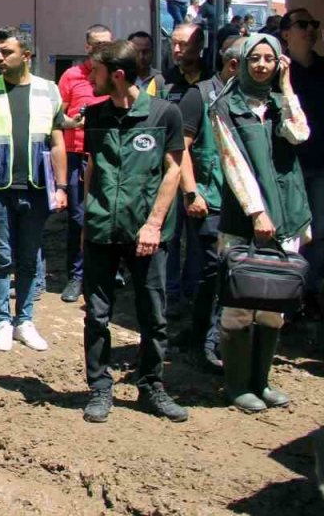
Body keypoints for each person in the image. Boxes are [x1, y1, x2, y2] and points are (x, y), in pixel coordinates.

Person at [80, 40, 188, 423]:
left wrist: (154, 224)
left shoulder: (164, 113)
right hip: (102, 230)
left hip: (147, 234)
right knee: (97, 315)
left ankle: (151, 385)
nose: (90, 77)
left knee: (153, 315)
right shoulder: (95, 115)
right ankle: (99, 388)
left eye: (95, 71)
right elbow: (93, 167)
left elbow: (173, 170)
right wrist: (86, 222)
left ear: (118, 75)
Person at [210, 33, 311, 412]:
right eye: (255, 58)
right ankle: (237, 386)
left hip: (287, 211)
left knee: (274, 302)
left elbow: (299, 134)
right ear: (242, 62)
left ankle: (261, 382)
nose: (262, 65)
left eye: (270, 58)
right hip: (244, 217)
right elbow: (232, 161)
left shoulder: (279, 102)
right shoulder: (226, 105)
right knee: (240, 302)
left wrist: (287, 88)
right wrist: (256, 212)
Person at [0, 27, 68, 352]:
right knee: (1, 256)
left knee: (29, 257)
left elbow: (57, 141)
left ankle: (24, 320)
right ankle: (2, 321)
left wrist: (62, 187)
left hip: (36, 188)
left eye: (6, 52)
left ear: (26, 55)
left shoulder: (49, 91)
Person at [177, 34, 242, 371]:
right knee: (212, 271)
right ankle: (205, 341)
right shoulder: (199, 95)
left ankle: (209, 336)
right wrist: (192, 192)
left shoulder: (251, 100)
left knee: (228, 272)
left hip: (241, 203)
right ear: (232, 64)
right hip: (209, 199)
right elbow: (179, 149)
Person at [279, 8, 324, 318]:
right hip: (291, 168)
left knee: (321, 232)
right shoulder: (279, 71)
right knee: (292, 233)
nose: (310, 29)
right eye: (302, 24)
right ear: (286, 33)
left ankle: (312, 291)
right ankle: (289, 292)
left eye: (313, 23)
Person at [57, 24, 114, 303]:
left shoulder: (116, 75)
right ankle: (77, 275)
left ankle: (109, 271)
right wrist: (73, 123)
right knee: (78, 218)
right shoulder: (71, 76)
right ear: (87, 47)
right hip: (76, 155)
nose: (102, 48)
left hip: (108, 156)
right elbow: (57, 117)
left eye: (107, 44)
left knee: (110, 214)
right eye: (97, 44)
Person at [161, 23, 215, 311]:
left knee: (199, 239)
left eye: (183, 44)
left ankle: (194, 293)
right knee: (169, 238)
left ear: (200, 45)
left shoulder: (214, 81)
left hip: (202, 175)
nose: (177, 49)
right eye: (174, 43)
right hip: (169, 172)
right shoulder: (163, 82)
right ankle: (170, 296)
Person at [127, 31, 164, 95]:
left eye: (145, 52)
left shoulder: (162, 79)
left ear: (152, 52)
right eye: (136, 52)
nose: (141, 57)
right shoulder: (122, 80)